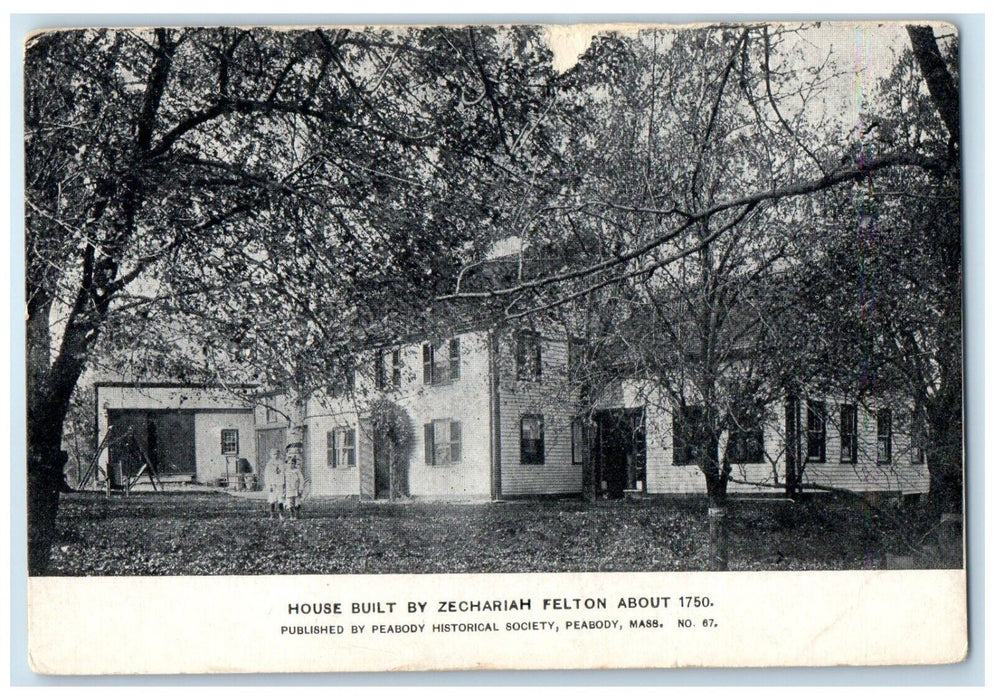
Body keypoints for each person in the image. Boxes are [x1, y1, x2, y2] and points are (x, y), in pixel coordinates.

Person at [264, 448, 286, 519]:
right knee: (272, 499)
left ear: (279, 455)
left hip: (280, 483)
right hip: (272, 484)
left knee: (280, 499)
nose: (276, 456)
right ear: (271, 455)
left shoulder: (281, 463)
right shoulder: (269, 464)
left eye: (277, 454)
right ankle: (272, 514)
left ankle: (281, 514)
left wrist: (284, 483)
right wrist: (268, 485)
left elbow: (284, 473)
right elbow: (267, 475)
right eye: (274, 454)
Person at [284, 455, 304, 520]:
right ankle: (291, 516)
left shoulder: (297, 471)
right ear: (286, 464)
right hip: (288, 489)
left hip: (296, 489)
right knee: (290, 502)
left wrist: (300, 488)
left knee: (297, 502)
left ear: (295, 464)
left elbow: (301, 480)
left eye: (292, 463)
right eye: (289, 463)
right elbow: (283, 480)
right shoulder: (286, 472)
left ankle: (297, 515)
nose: (290, 465)